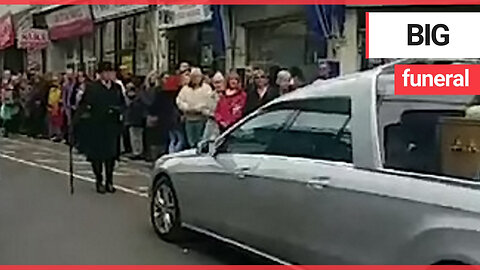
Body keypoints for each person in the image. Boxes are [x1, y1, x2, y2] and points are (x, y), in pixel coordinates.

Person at [75, 62, 125, 194]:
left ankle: (110, 181)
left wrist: (119, 112)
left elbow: (122, 104)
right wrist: (82, 117)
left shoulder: (116, 88)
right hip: (97, 126)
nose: (109, 74)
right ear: (101, 74)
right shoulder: (92, 88)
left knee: (111, 156)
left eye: (111, 72)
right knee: (97, 155)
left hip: (112, 126)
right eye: (107, 72)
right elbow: (84, 105)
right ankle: (99, 179)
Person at [176, 67, 214, 148]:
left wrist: (199, 108)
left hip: (202, 118)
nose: (196, 79)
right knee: (191, 141)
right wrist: (187, 108)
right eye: (194, 76)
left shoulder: (206, 88)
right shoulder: (185, 89)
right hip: (189, 119)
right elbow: (179, 101)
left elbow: (209, 101)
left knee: (201, 139)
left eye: (198, 76)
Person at [124, 81, 147, 160]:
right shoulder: (139, 96)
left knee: (136, 136)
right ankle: (137, 151)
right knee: (135, 136)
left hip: (136, 119)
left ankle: (137, 152)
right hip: (134, 119)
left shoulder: (137, 97)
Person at [202, 71, 224, 141]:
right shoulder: (209, 95)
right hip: (212, 124)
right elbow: (204, 109)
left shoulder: (229, 95)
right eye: (216, 83)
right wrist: (213, 114)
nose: (218, 85)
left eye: (220, 82)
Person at [47, 74, 64, 142]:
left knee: (57, 122)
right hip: (51, 106)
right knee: (51, 121)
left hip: (57, 107)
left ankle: (58, 135)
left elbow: (61, 97)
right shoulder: (51, 89)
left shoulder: (60, 89)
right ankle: (52, 134)